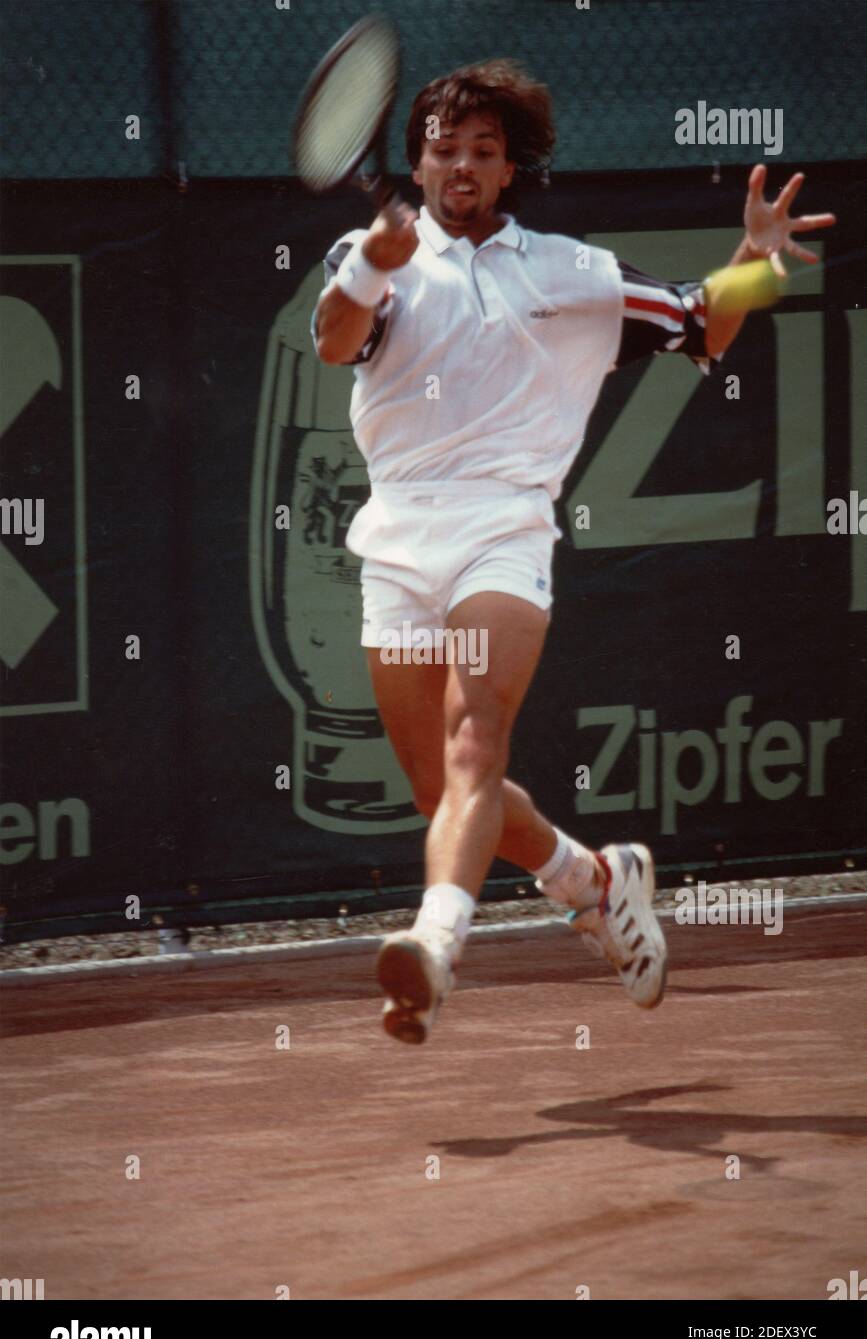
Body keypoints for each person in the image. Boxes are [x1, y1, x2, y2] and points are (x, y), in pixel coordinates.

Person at [312, 59, 835, 1044]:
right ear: (417, 162)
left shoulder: (569, 273)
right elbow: (338, 340)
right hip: (395, 545)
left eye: (483, 151)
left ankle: (434, 942)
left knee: (475, 748)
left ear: (510, 170)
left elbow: (694, 319)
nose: (460, 165)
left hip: (502, 539)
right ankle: (592, 880)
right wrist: (374, 262)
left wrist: (758, 259)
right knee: (441, 793)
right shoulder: (368, 254)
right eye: (442, 147)